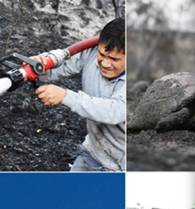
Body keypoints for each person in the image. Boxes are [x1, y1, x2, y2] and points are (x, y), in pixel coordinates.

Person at [33, 18, 126, 171]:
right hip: (92, 154)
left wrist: (65, 96)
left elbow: (115, 111)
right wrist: (38, 66)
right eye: (102, 55)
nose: (105, 63)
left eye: (114, 59)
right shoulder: (90, 52)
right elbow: (62, 65)